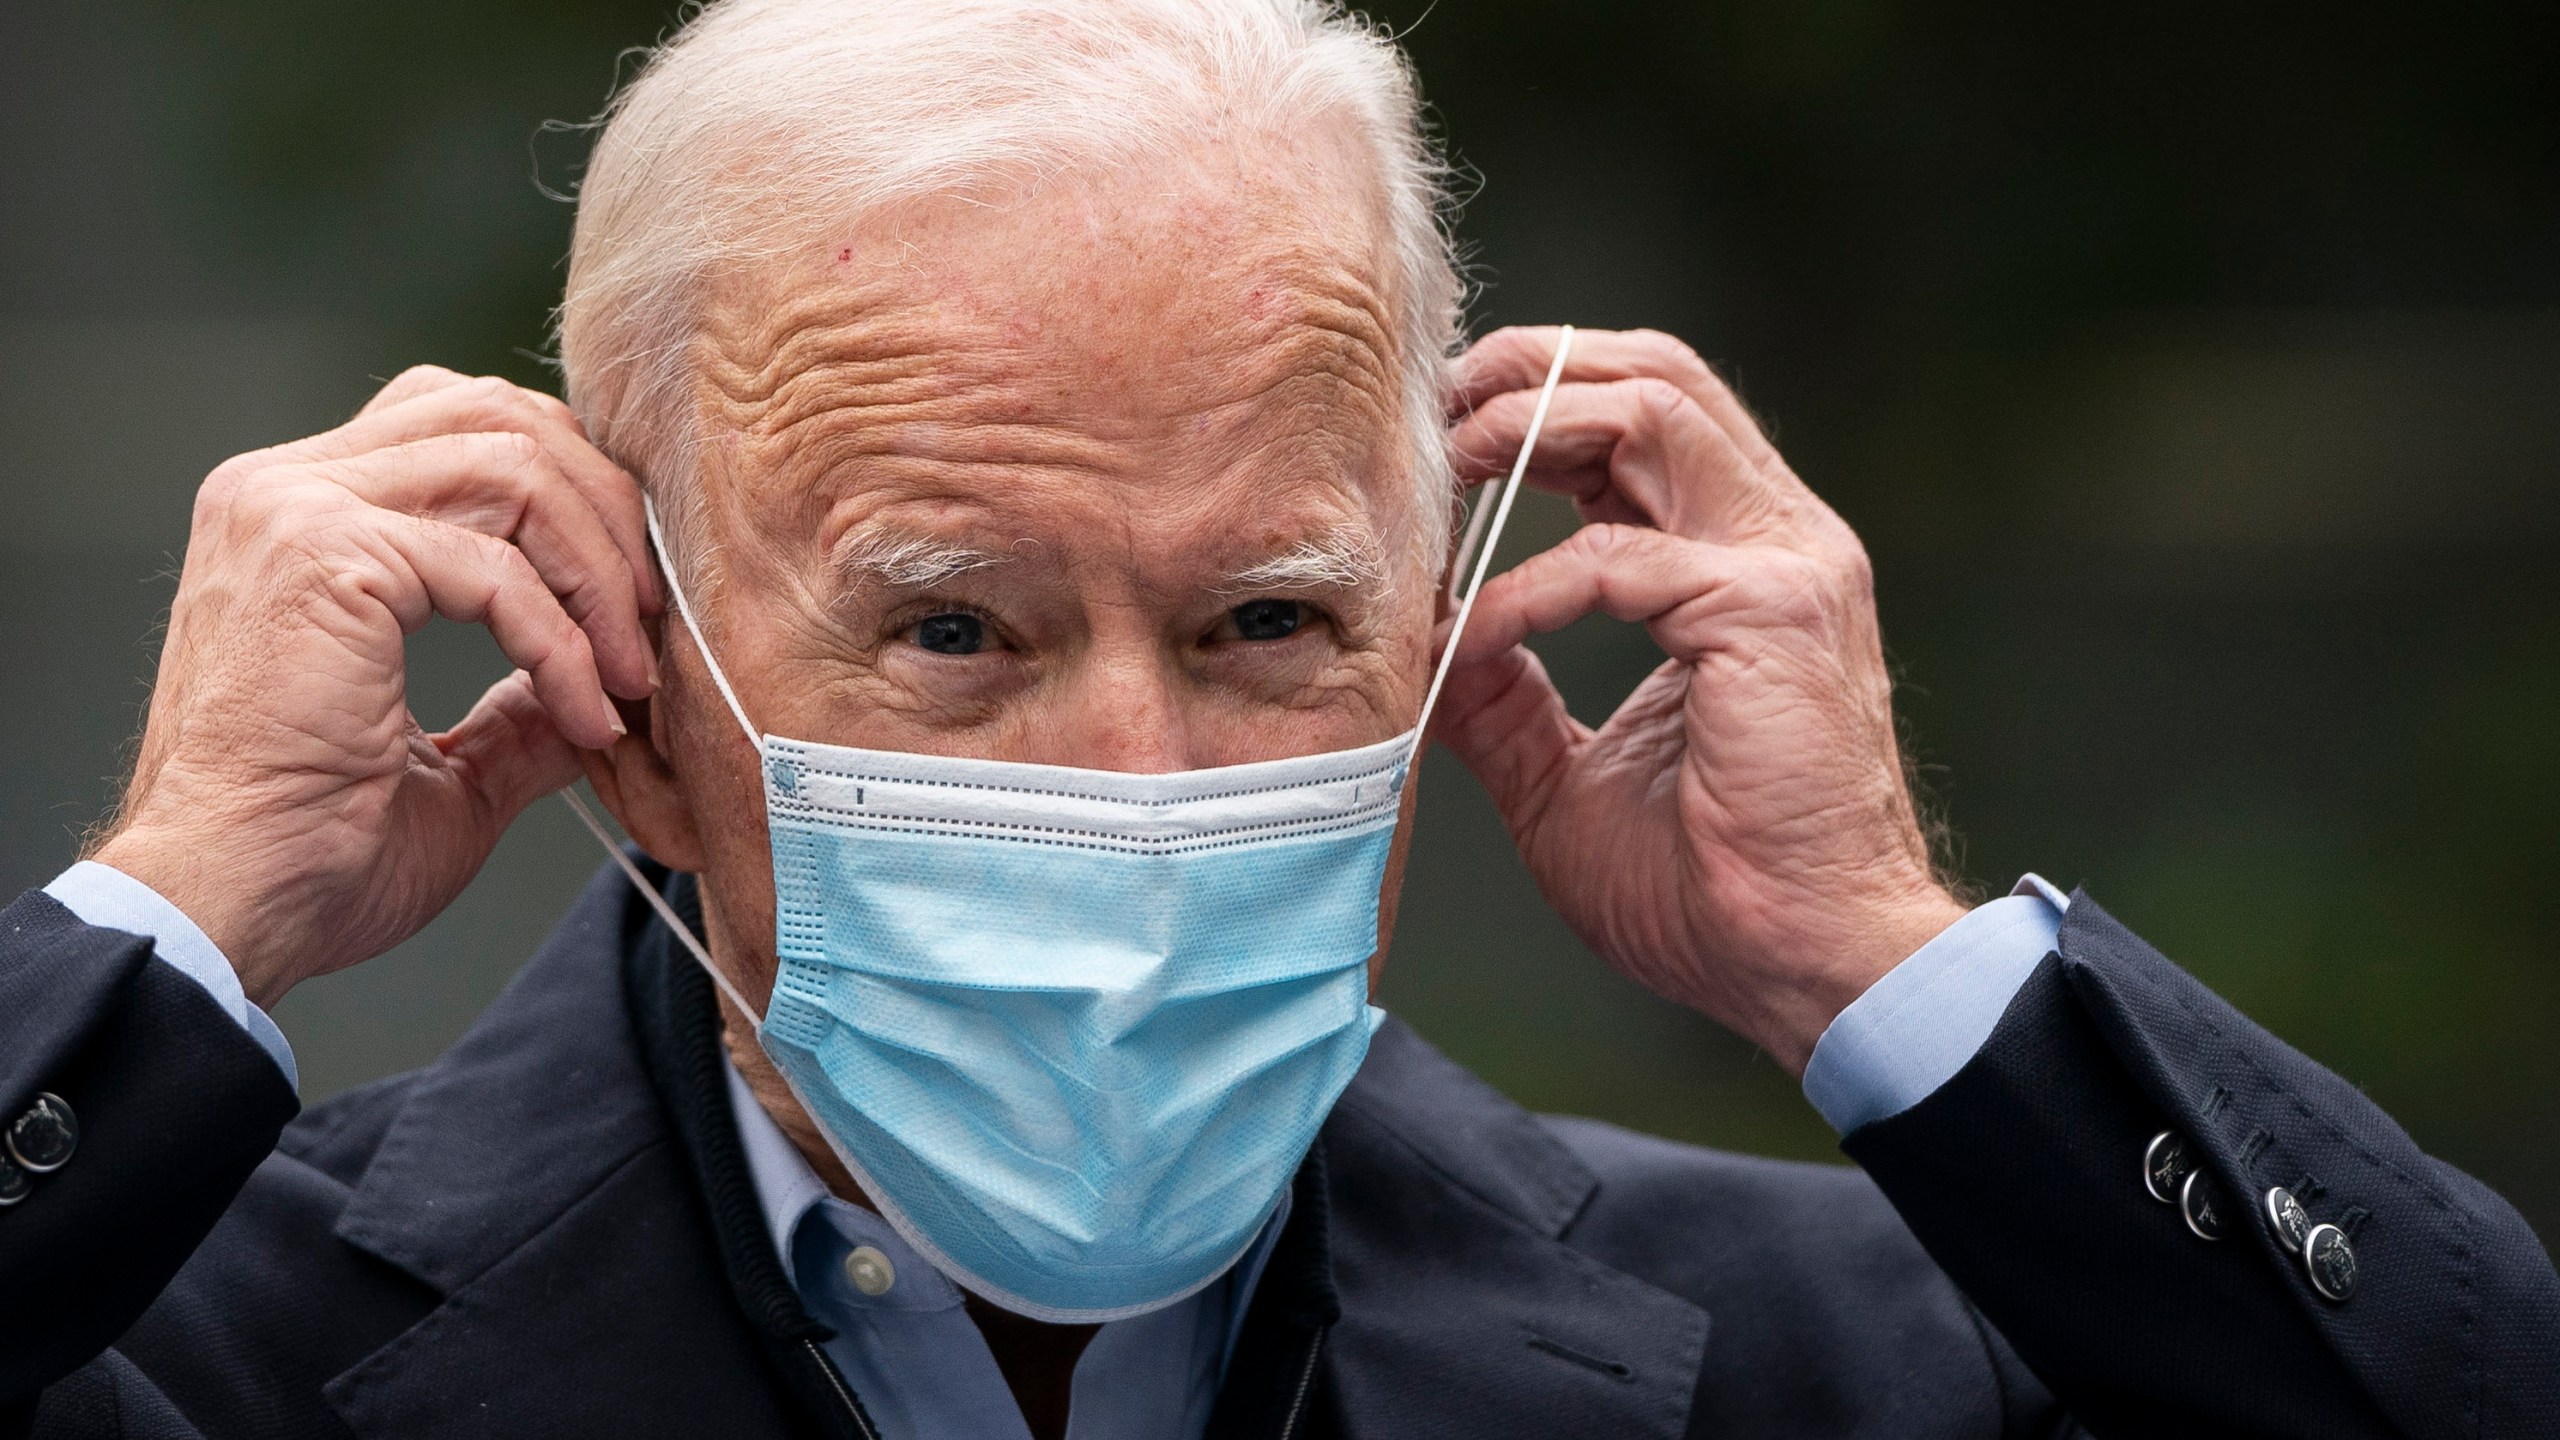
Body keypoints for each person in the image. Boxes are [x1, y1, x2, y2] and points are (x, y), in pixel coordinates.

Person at [2, 1, 2551, 1435]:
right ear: (629, 684)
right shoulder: (176, 1349)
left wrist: (1867, 955)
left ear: (1440, 640)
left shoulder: (1845, 1360)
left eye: (1258, 627)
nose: (1137, 790)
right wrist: (179, 907)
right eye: (954, 635)